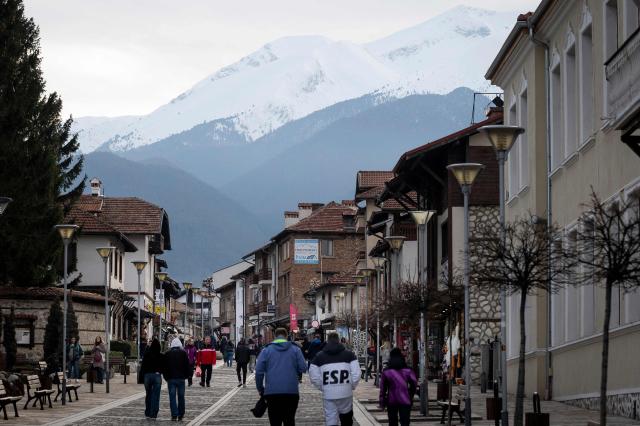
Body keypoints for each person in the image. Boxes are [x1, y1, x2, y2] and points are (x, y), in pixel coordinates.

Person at [255, 327, 307, 426]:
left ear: (275, 336)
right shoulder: (295, 349)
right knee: (289, 420)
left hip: (272, 392)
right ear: (286, 336)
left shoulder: (266, 350)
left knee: (275, 422)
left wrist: (260, 389)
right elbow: (303, 368)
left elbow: (258, 372)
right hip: (291, 392)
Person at [309, 332, 360, 426]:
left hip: (328, 394)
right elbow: (356, 374)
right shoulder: (350, 355)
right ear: (339, 340)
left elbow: (314, 376)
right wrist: (351, 386)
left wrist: (322, 387)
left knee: (331, 418)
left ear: (327, 340)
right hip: (345, 392)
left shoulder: (319, 356)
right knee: (347, 418)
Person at [379, 348, 417, 426]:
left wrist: (382, 402)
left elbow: (382, 388)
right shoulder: (408, 370)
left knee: (392, 422)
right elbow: (414, 384)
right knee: (405, 422)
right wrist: (410, 396)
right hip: (405, 399)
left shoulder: (386, 371)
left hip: (391, 400)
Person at [164, 337, 190, 421]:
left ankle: (174, 415)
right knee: (181, 396)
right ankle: (181, 414)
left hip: (171, 379)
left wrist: (166, 377)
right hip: (181, 379)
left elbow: (165, 368)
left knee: (172, 397)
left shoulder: (167, 354)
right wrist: (187, 376)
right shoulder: (184, 353)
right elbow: (187, 366)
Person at [141, 338, 165, 420]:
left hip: (147, 376)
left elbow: (143, 366)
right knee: (156, 395)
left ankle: (148, 412)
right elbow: (163, 367)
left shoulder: (146, 354)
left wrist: (141, 378)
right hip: (156, 376)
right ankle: (154, 413)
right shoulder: (161, 355)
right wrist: (160, 372)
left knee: (148, 394)